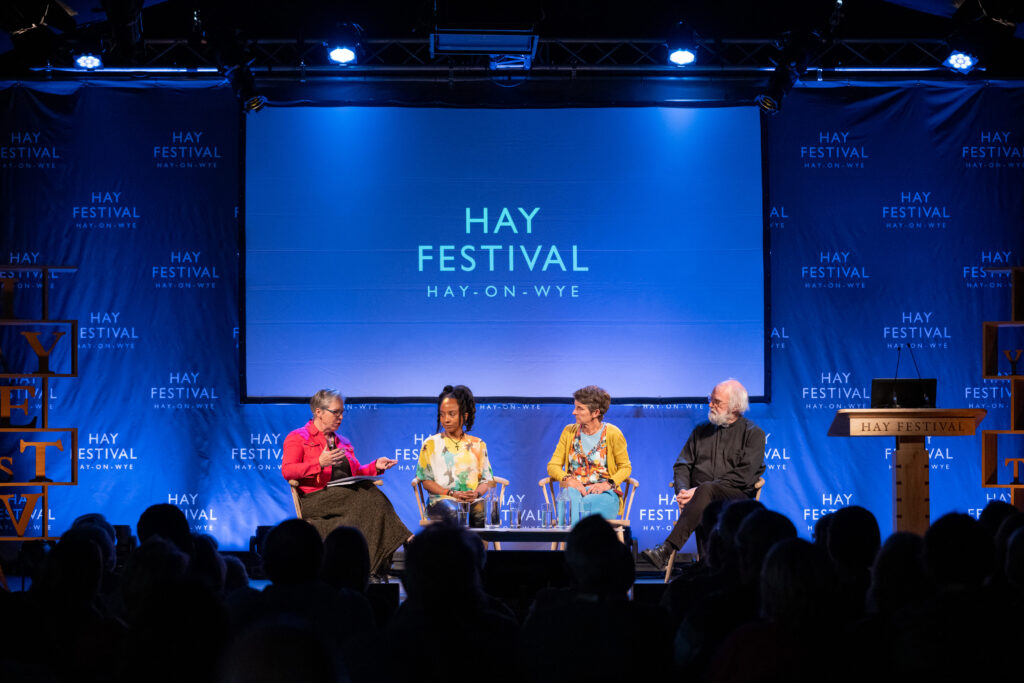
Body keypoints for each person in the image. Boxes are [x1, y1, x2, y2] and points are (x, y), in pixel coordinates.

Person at [281, 389, 410, 580]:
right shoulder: (299, 437)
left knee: (367, 492)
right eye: (336, 412)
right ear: (318, 412)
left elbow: (355, 473)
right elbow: (288, 471)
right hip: (315, 499)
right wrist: (319, 463)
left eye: (342, 412)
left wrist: (375, 466)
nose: (341, 417)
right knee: (366, 495)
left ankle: (371, 569)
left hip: (345, 498)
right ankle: (406, 540)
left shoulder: (343, 442)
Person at [641, 379, 765, 570]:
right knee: (703, 498)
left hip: (736, 498)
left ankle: (666, 549)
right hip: (698, 498)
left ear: (735, 406)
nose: (710, 405)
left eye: (717, 401)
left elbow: (745, 475)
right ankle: (706, 567)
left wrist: (698, 490)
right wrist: (683, 492)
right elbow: (682, 465)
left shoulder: (753, 434)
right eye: (711, 399)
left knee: (705, 492)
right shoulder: (701, 431)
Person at [547, 385, 632, 524]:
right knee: (570, 499)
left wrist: (608, 484)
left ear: (595, 412)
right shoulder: (569, 432)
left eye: (580, 408)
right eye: (575, 407)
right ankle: (576, 541)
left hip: (604, 493)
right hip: (574, 490)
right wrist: (568, 479)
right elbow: (553, 466)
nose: (574, 412)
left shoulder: (613, 433)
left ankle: (577, 541)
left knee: (587, 503)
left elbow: (625, 468)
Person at [415, 384, 494, 527]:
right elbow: (425, 481)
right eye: (442, 414)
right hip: (441, 501)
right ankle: (455, 549)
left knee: (479, 512)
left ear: (464, 416)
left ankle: (477, 550)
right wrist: (451, 493)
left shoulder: (478, 444)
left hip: (470, 501)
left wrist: (475, 494)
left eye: (451, 414)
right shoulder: (431, 443)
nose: (446, 419)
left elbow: (486, 481)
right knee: (455, 511)